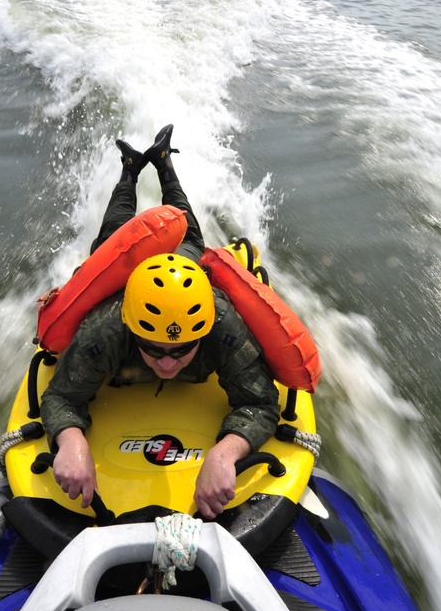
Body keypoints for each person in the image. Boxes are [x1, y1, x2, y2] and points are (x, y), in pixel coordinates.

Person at [40, 125, 280, 519]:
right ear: (132, 330)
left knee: (186, 224)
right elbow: (61, 396)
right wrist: (70, 442)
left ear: (203, 332)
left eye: (183, 349)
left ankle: (164, 161)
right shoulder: (106, 330)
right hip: (131, 279)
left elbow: (261, 402)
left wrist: (225, 453)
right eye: (153, 349)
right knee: (112, 234)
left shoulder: (222, 325)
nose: (167, 364)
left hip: (183, 266)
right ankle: (130, 168)